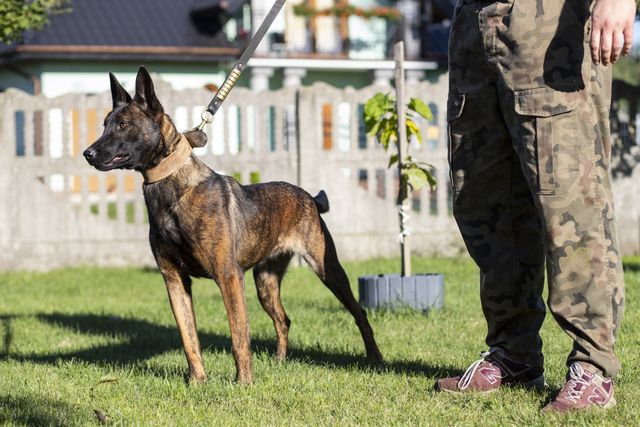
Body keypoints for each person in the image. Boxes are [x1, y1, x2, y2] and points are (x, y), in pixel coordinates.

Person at [437, 0, 636, 413]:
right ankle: (513, 355)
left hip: (549, 25)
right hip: (474, 25)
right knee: (486, 199)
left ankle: (593, 366)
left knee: (572, 205)